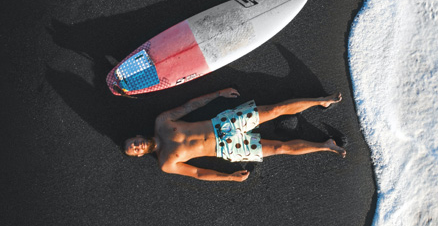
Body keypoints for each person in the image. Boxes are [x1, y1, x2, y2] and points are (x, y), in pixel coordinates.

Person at [123, 88, 346, 182]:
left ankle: (321, 100)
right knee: (279, 148)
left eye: (133, 142)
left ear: (136, 136)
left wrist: (218, 94)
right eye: (134, 150)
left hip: (223, 124)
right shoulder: (166, 163)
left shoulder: (161, 122)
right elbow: (199, 173)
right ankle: (326, 146)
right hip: (227, 149)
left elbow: (190, 106)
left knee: (275, 110)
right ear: (139, 155)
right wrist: (227, 177)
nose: (137, 146)